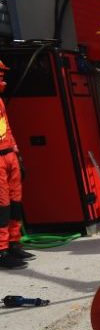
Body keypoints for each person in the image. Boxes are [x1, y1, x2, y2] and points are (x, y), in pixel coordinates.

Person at [0, 59, 31, 269]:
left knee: (15, 202)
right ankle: (2, 251)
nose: (2, 77)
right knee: (2, 206)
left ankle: (13, 243)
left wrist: (17, 153)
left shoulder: (0, 101)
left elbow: (7, 127)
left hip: (8, 154)